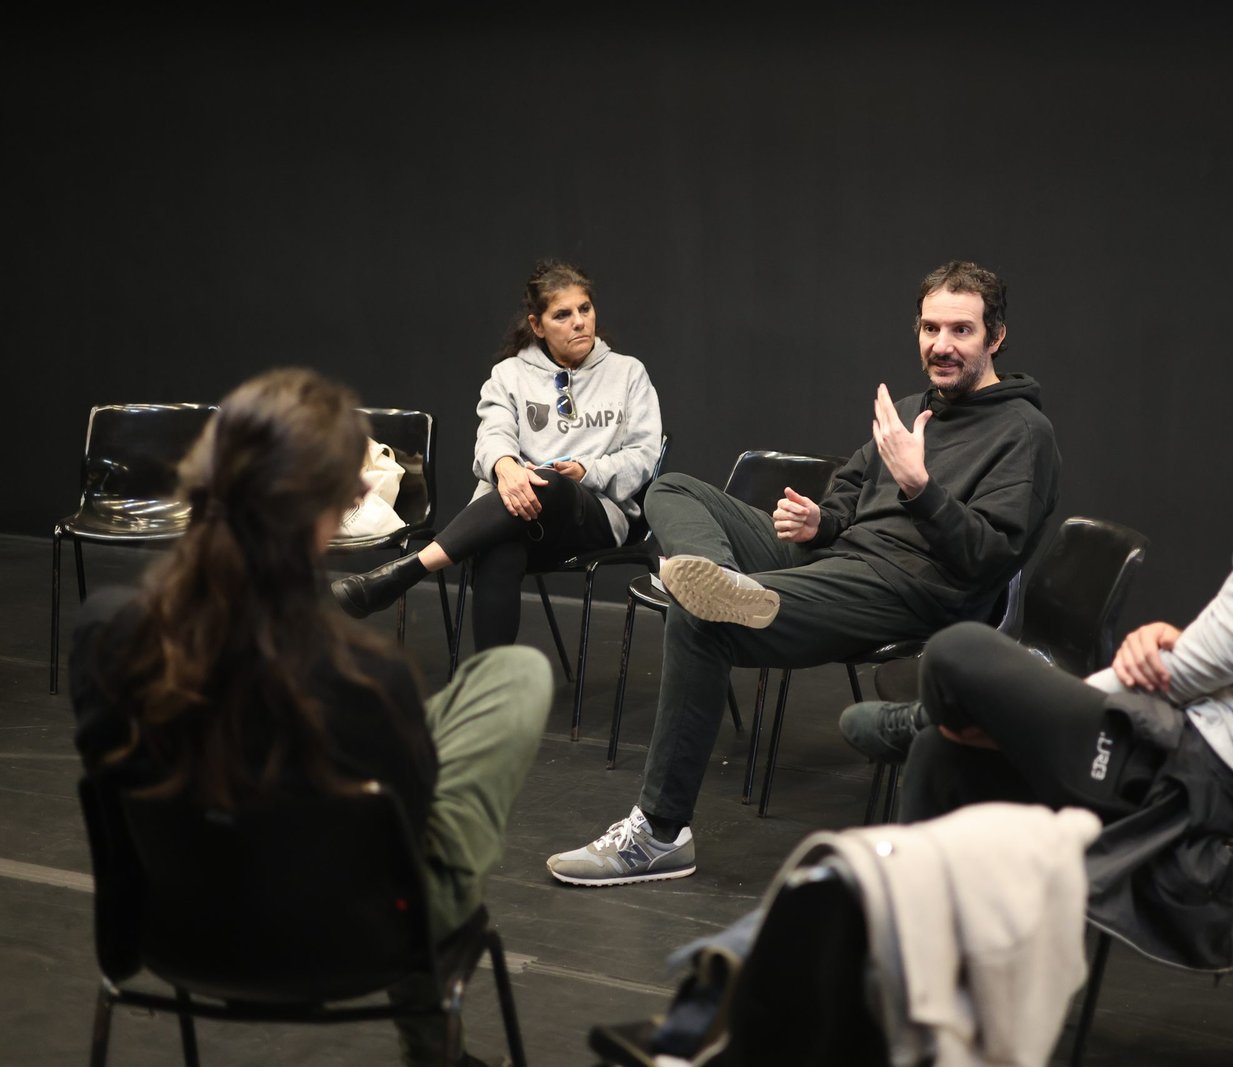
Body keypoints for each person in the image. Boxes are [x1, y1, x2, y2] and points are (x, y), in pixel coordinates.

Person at [847, 310, 1233, 971]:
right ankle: (910, 957)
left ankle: (926, 723)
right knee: (943, 754)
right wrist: (1179, 643)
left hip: (1197, 771)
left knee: (958, 650)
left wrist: (1146, 661)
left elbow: (1177, 676)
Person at [70, 368, 553, 1066]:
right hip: (359, 940)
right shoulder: (366, 679)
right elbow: (409, 830)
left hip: (176, 928)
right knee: (515, 674)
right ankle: (430, 1047)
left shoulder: (107, 635)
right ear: (339, 507)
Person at [546, 259, 1063, 885]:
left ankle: (658, 833)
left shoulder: (1024, 433)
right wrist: (824, 519)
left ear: (996, 338)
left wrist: (920, 486)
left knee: (699, 621)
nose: (941, 346)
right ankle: (714, 577)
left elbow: (989, 557)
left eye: (961, 331)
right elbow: (850, 488)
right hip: (841, 555)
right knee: (676, 488)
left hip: (909, 585)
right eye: (930, 329)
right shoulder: (909, 409)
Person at [332, 259, 664, 652]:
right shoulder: (509, 375)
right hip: (517, 513)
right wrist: (506, 468)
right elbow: (493, 436)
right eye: (563, 314)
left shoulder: (628, 374)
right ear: (537, 325)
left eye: (585, 309)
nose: (579, 321)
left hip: (593, 515)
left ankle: (409, 569)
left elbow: (644, 456)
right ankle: (494, 686)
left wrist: (587, 470)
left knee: (551, 482)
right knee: (498, 548)